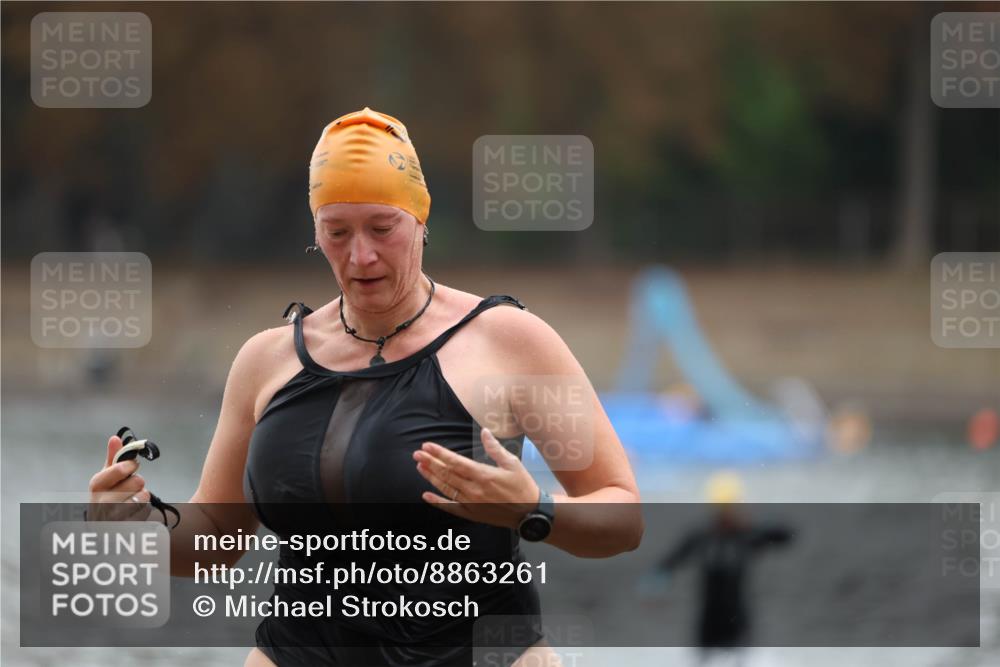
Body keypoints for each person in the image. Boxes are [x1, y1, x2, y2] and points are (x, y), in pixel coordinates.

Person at [88, 107, 643, 666]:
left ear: (421, 218)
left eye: (382, 228)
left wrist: (534, 508)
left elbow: (623, 517)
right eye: (337, 232)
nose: (361, 256)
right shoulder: (267, 360)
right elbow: (217, 535)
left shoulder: (508, 343)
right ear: (316, 232)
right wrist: (140, 528)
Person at [643, 472, 792, 667]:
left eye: (730, 509)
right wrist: (655, 583)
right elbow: (671, 561)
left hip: (737, 616)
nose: (726, 515)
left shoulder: (747, 535)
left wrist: (759, 523)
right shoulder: (702, 535)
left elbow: (786, 534)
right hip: (708, 618)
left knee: (741, 658)